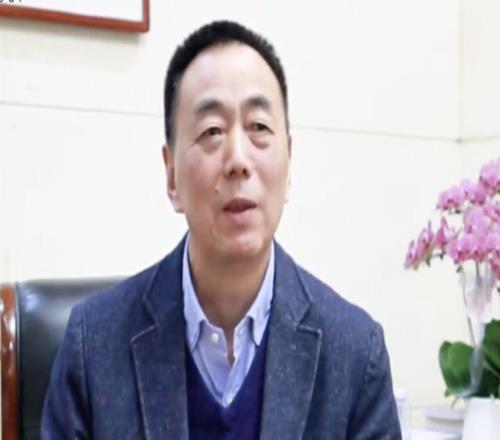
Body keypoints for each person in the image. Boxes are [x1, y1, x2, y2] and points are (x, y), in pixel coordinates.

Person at [41, 20, 401, 439]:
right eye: (212, 131)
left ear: (289, 163)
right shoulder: (93, 345)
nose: (238, 160)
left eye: (259, 127)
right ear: (171, 175)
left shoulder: (355, 355)